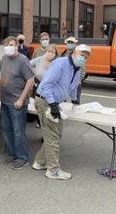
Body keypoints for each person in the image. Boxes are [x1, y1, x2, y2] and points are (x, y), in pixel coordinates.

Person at [34, 44, 92, 180]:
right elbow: (46, 84)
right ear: (74, 52)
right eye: (81, 55)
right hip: (46, 101)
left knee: (56, 134)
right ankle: (53, 170)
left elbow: (73, 86)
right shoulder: (60, 63)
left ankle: (40, 162)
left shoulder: (77, 68)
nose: (83, 58)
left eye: (85, 57)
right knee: (52, 136)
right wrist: (53, 104)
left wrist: (75, 102)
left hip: (55, 102)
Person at [0, 36, 35, 170]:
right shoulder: (4, 58)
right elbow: (3, 75)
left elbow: (30, 81)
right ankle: (12, 153)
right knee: (6, 129)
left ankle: (22, 157)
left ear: (17, 46)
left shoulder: (23, 60)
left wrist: (21, 99)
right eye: (7, 44)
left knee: (18, 131)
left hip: (17, 102)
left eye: (12, 44)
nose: (9, 46)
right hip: (5, 100)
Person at [31, 45, 59, 128]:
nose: (50, 53)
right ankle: (40, 123)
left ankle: (48, 129)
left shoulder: (57, 63)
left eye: (52, 52)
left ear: (55, 54)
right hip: (38, 87)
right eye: (48, 51)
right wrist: (33, 72)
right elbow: (28, 64)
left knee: (48, 110)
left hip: (51, 89)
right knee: (39, 108)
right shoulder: (40, 59)